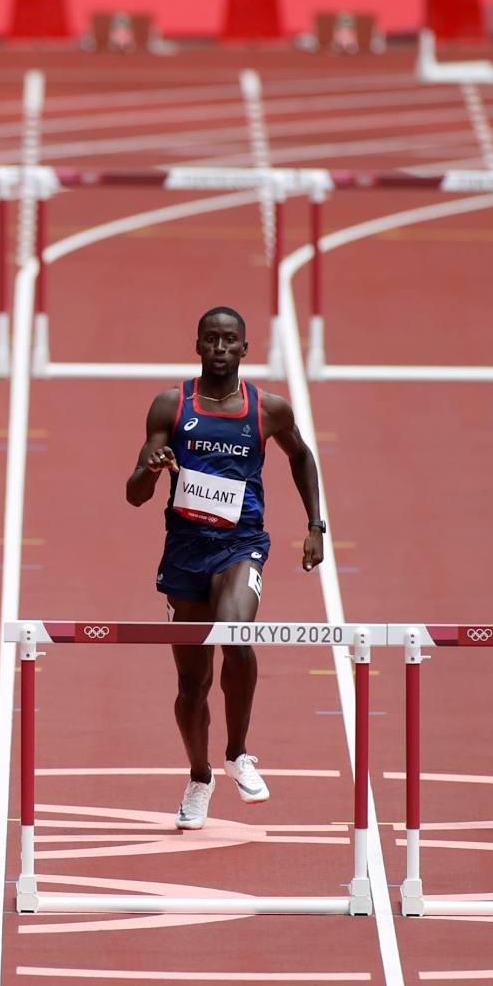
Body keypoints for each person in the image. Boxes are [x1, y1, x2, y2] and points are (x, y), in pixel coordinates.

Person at [126, 307, 325, 831]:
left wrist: (316, 525)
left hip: (241, 544)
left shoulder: (268, 409)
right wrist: (150, 470)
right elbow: (134, 495)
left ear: (244, 349)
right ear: (197, 345)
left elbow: (301, 457)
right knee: (192, 685)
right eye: (211, 338)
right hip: (186, 550)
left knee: (236, 634)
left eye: (229, 340)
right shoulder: (172, 405)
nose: (219, 347)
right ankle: (199, 776)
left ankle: (238, 753)